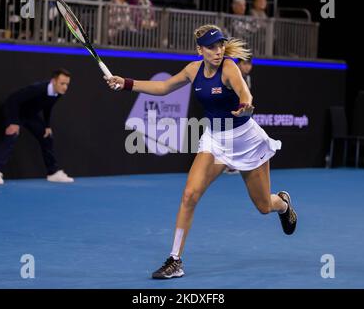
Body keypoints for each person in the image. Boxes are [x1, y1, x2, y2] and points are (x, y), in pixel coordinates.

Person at [105, 24, 297, 279]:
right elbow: (163, 88)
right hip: (215, 140)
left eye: (220, 45)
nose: (218, 51)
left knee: (263, 206)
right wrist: (126, 83)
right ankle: (175, 260)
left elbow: (245, 93)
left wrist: (246, 106)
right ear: (200, 50)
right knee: (189, 195)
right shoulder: (192, 70)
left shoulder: (230, 67)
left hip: (246, 140)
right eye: (211, 47)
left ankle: (283, 204)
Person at [0, 69, 74, 185]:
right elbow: (13, 100)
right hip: (15, 111)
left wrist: (47, 125)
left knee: (47, 137)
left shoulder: (58, 93)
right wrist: (13, 122)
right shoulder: (38, 89)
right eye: (62, 83)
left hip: (30, 115)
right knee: (12, 135)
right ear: (54, 81)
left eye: (67, 84)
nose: (65, 87)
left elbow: (48, 107)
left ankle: (53, 173)